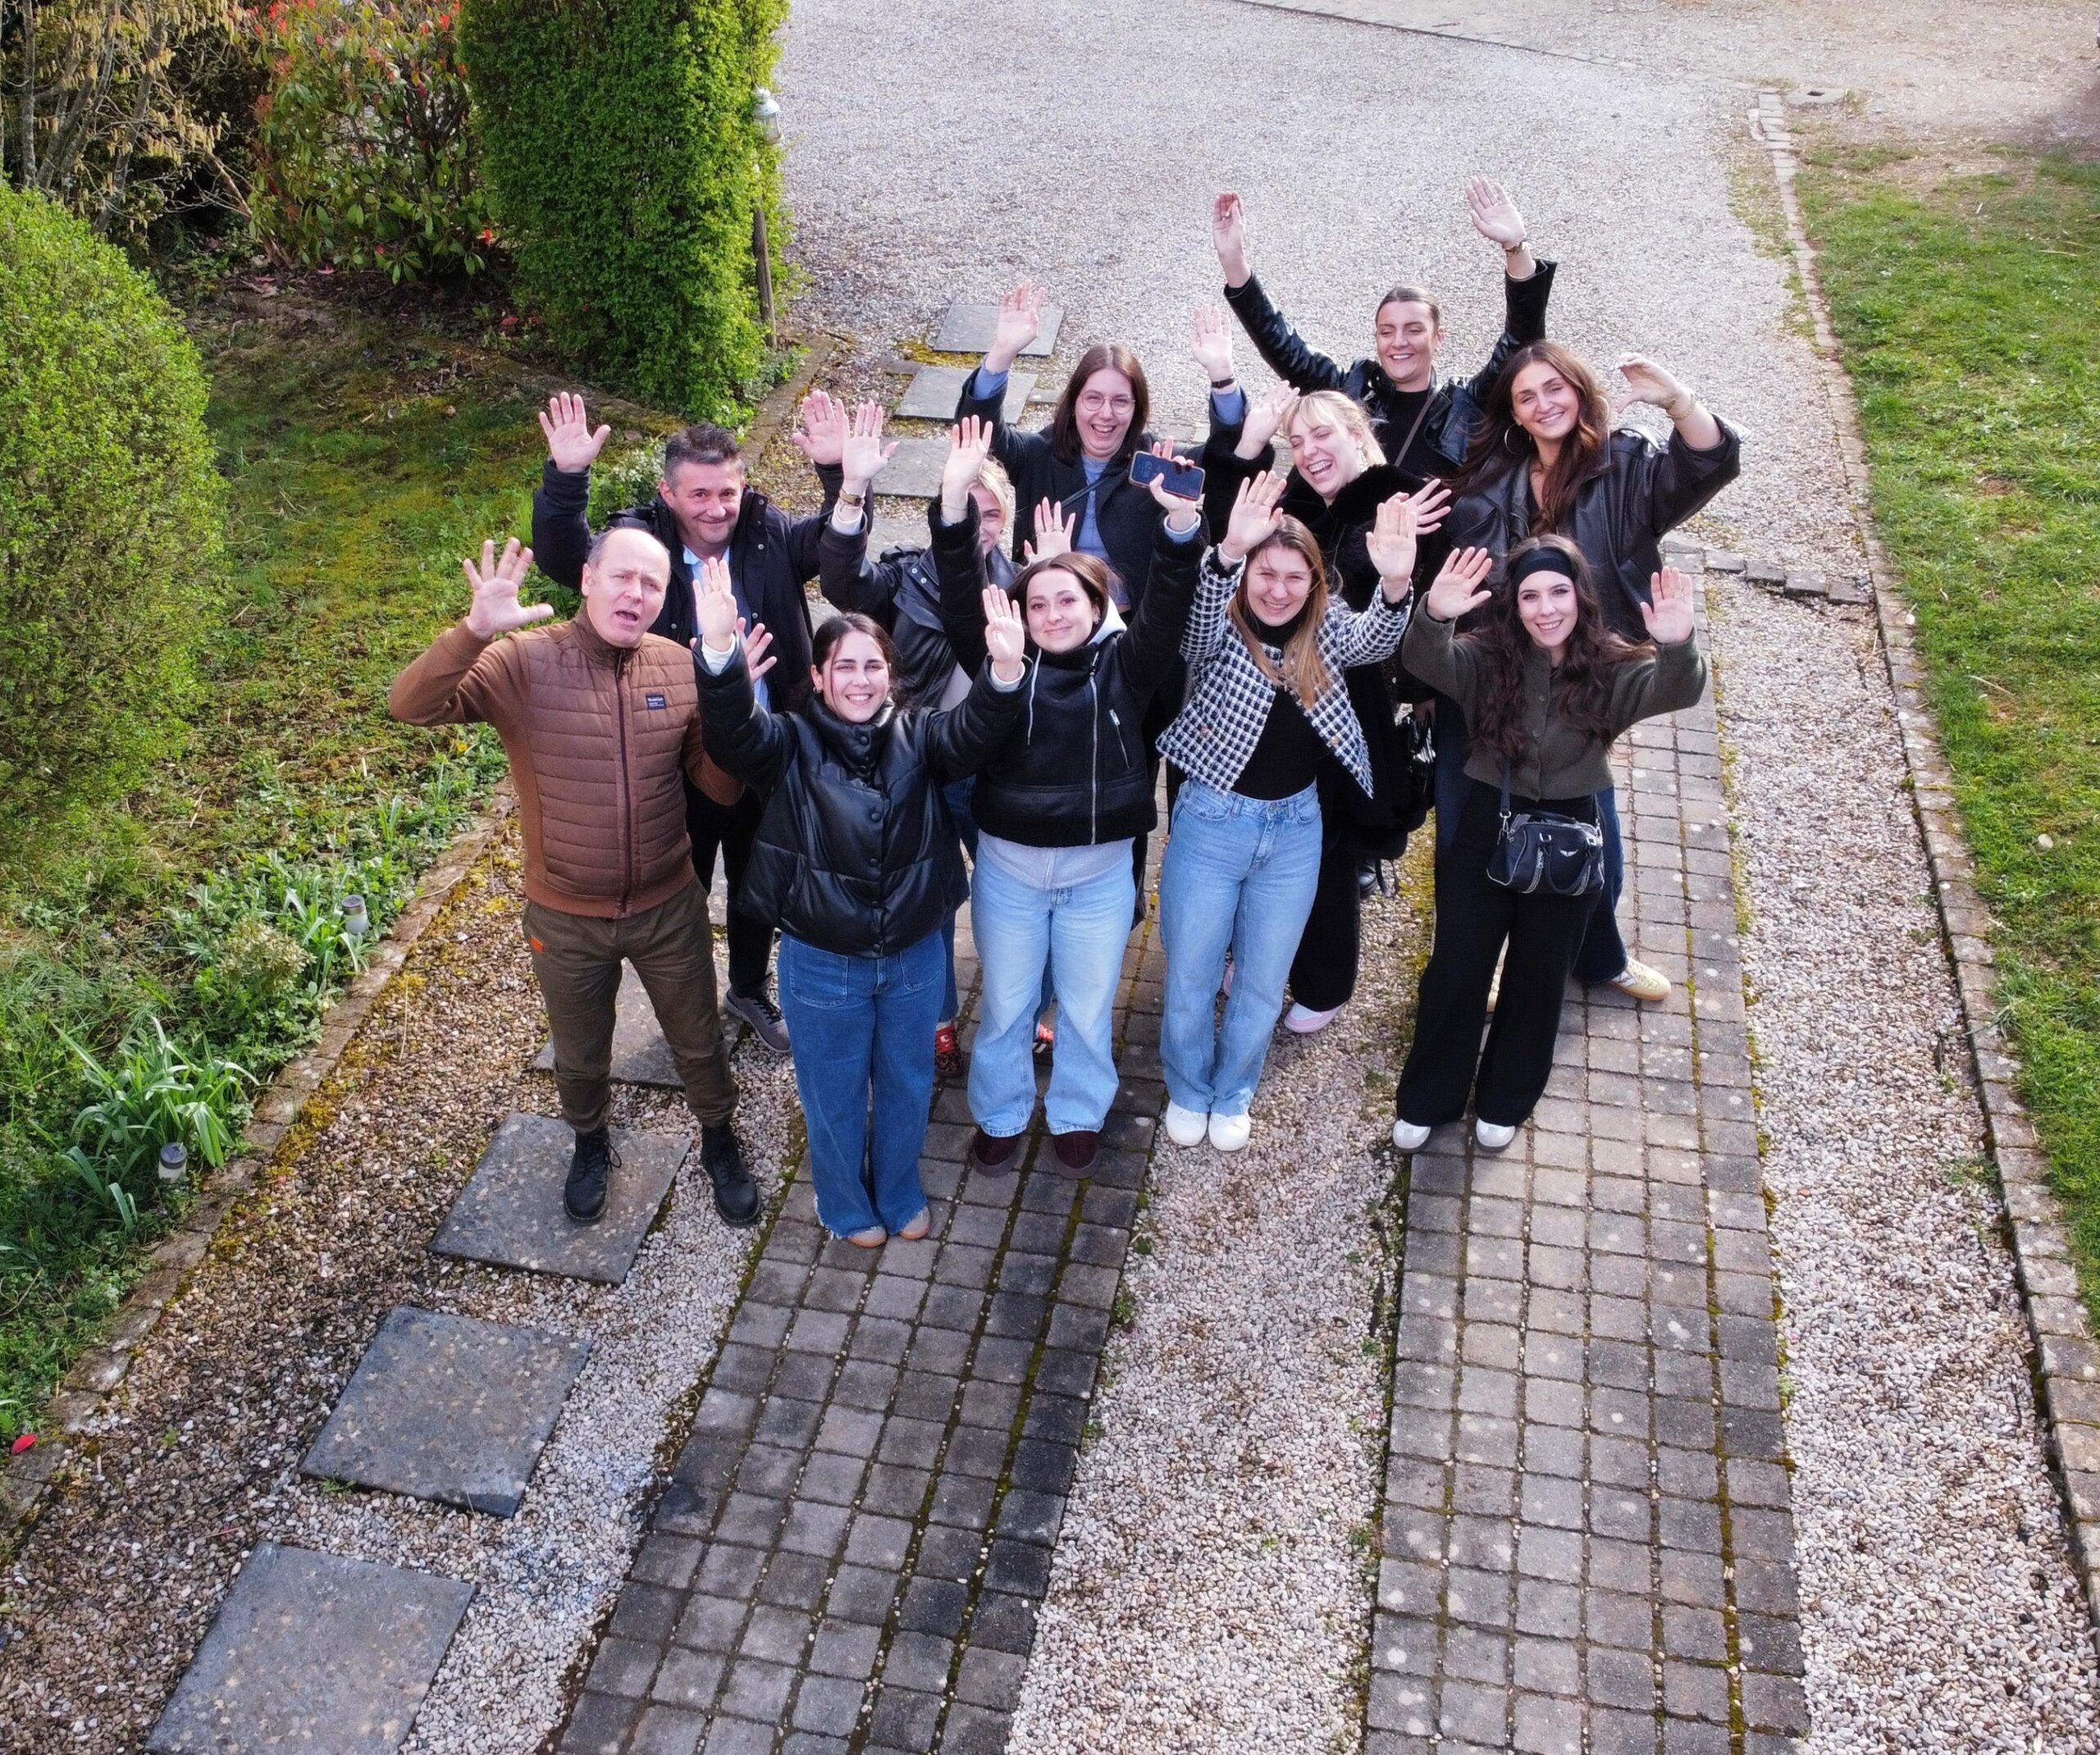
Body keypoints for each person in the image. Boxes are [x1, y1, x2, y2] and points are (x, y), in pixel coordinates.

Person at [388, 531, 760, 1229]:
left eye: (652, 585)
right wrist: (471, 633)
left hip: (668, 904)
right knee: (580, 1048)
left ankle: (719, 1137)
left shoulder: (680, 666)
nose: (636, 594)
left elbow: (720, 787)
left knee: (698, 1038)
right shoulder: (523, 664)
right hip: (564, 917)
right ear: (587, 579)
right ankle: (590, 1142)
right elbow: (411, 706)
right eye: (622, 578)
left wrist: (731, 707)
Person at [692, 558, 1029, 1245]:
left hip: (911, 958)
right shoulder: (787, 742)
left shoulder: (924, 734)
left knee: (906, 1084)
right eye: (844, 667)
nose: (860, 680)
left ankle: (900, 1192)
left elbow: (976, 734)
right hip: (822, 964)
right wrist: (722, 655)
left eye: (873, 666)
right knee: (834, 1092)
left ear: (892, 677)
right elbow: (732, 737)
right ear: (817, 678)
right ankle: (843, 1203)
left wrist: (1003, 673)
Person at [532, 390, 851, 1055]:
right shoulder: (641, 543)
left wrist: (839, 476)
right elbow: (570, 561)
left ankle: (747, 985)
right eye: (699, 495)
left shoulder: (769, 533)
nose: (716, 510)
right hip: (678, 757)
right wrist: (566, 482)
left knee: (760, 881)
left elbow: (837, 546)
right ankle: (683, 1007)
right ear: (668, 493)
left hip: (766, 754)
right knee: (683, 888)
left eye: (727, 494)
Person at [927, 419, 1205, 1177]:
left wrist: (1181, 521)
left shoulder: (1127, 665)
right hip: (1011, 872)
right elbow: (958, 592)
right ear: (1020, 613)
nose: (1053, 614)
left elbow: (1172, 600)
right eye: (1039, 603)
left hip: (1098, 875)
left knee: (1085, 1008)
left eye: (1068, 600)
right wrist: (952, 505)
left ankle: (1079, 1112)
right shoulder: (1001, 665)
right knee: (1010, 1004)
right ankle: (1002, 1112)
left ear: (1097, 605)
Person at [1441, 342, 1739, 1005]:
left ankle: (1600, 955)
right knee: (1482, 820)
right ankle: (1487, 951)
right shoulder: (1492, 481)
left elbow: (1709, 463)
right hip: (1503, 681)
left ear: (1578, 391)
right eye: (1527, 397)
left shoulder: (1624, 465)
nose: (1544, 404)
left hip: (1586, 678)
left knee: (1588, 821)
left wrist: (1679, 401)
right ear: (1514, 415)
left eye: (1555, 389)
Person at [1391, 539, 1707, 1151]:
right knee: (1457, 968)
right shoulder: (1486, 657)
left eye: (1558, 592)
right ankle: (1429, 1097)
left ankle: (1506, 1098)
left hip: (1570, 833)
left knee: (1539, 976)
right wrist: (1435, 613)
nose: (1545, 609)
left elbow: (1676, 689)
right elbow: (1427, 662)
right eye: (1531, 595)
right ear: (1514, 605)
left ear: (1579, 597)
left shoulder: (1610, 665)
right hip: (1488, 820)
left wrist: (1677, 642)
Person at [1154, 474, 1422, 1152]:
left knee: (1264, 980)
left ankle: (1234, 1089)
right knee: (1191, 971)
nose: (1278, 589)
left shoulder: (1325, 631)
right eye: (1265, 573)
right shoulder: (1219, 628)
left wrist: (1395, 586)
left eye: (1294, 577)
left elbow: (1377, 639)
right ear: (1247, 576)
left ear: (1313, 584)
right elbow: (1191, 630)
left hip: (1296, 830)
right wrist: (1224, 555)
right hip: (1212, 823)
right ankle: (1188, 1087)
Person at [1199, 344, 1452, 1037]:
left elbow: (1417, 611)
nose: (1308, 450)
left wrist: (1400, 577)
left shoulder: (1403, 502)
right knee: (1268, 841)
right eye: (1297, 439)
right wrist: (1249, 439)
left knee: (1331, 854)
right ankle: (1257, 957)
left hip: (1356, 709)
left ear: (1359, 433)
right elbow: (1232, 523)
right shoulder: (1307, 504)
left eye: (1323, 434)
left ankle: (1323, 980)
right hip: (1278, 699)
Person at [820, 400, 1018, 1077]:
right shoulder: (906, 578)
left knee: (1005, 892)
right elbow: (844, 582)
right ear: (946, 509)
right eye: (968, 504)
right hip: (914, 767)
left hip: (989, 775)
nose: (980, 525)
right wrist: (849, 490)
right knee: (929, 898)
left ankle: (1020, 1008)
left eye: (993, 513)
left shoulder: (1023, 591)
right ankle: (937, 1017)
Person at [1209, 179, 1555, 483]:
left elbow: (1521, 340)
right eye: (1386, 331)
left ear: (1439, 338)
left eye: (1414, 329)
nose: (1399, 342)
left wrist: (1515, 248)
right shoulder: (1350, 392)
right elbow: (1282, 341)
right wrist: (1233, 261)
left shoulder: (1467, 405)